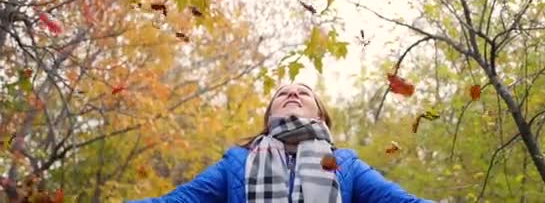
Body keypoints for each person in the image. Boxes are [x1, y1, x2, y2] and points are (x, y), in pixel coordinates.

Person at [126, 83, 433, 203]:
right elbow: (176, 202)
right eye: (282, 94)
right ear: (270, 113)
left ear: (321, 114)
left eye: (304, 92)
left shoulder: (345, 163)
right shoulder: (237, 162)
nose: (292, 95)